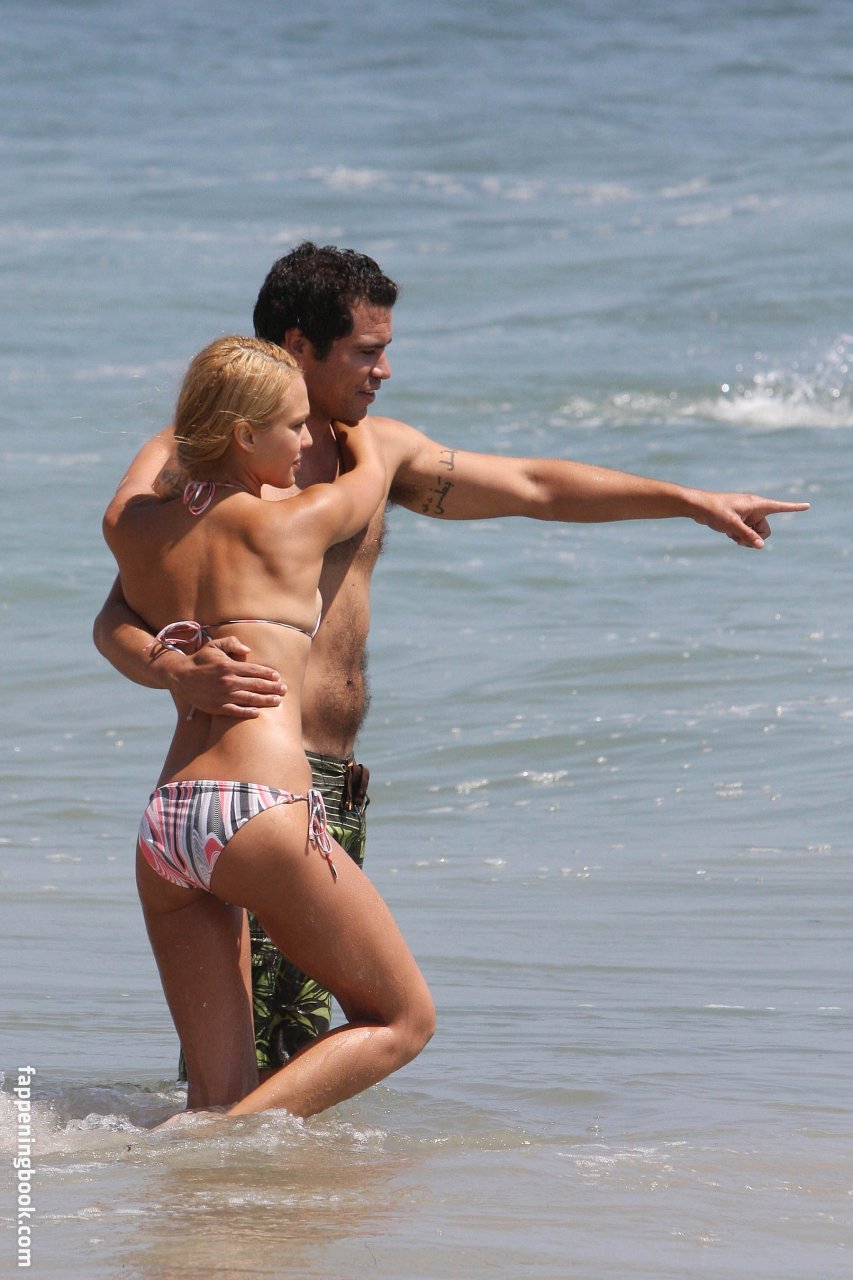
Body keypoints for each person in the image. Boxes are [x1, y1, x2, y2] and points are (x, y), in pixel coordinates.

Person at [93, 243, 809, 1096]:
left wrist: (685, 499)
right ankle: (221, 1172)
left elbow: (535, 486)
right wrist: (169, 668)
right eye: (365, 351)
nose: (385, 371)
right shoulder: (204, 463)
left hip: (276, 791)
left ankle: (205, 1174)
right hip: (268, 790)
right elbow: (116, 615)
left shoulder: (367, 451)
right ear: (297, 347)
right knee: (298, 1051)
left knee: (273, 1071)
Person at [100, 335, 435, 1116]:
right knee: (402, 1021)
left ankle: (206, 1162)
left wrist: (166, 662)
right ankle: (221, 1147)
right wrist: (353, 425)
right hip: (259, 812)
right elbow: (372, 475)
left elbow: (115, 587)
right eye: (292, 426)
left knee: (214, 1093)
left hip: (168, 826)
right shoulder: (293, 522)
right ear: (244, 436)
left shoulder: (135, 529)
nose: (305, 443)